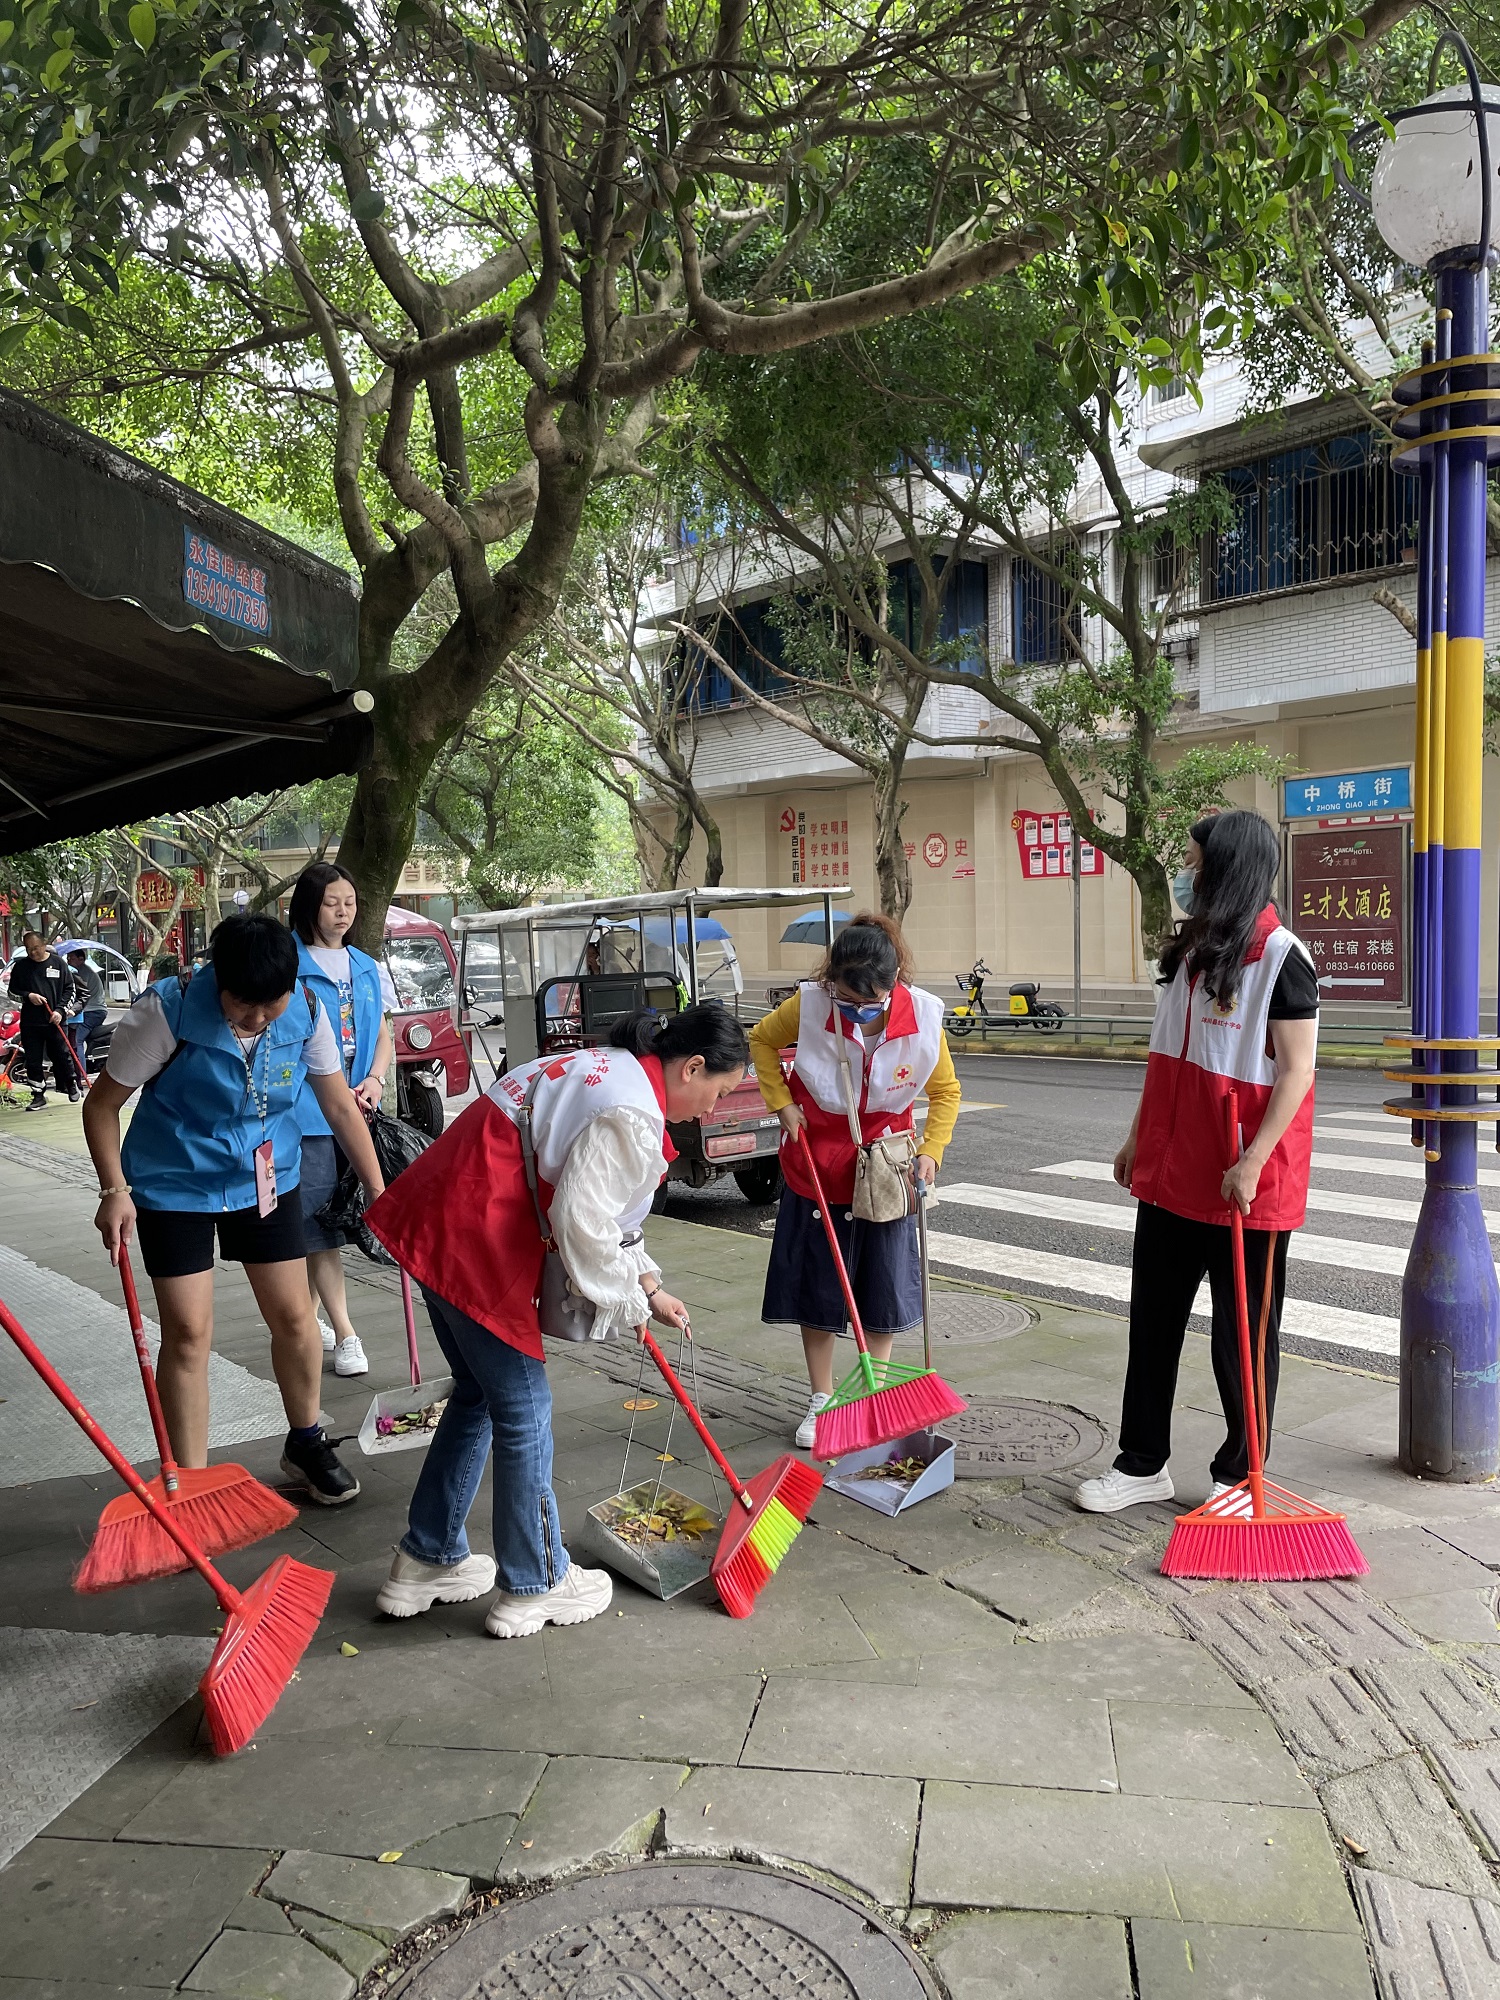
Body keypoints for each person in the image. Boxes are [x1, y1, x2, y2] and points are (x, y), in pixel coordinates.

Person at [362, 1004, 750, 1638]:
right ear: (694, 1066)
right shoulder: (631, 1110)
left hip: (444, 1223)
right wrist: (624, 1300)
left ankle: (427, 1559)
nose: (711, 1107)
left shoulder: (611, 1071)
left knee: (480, 1397)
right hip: (478, 1237)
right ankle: (536, 1580)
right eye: (719, 1091)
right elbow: (584, 1222)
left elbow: (606, 1218)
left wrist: (646, 1286)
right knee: (524, 1409)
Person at [82, 914, 386, 1506]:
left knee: (296, 1317)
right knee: (190, 1332)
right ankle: (188, 1483)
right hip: (174, 1185)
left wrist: (379, 1191)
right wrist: (114, 1189)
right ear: (217, 979)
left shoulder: (306, 1011)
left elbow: (340, 1107)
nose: (257, 1019)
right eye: (244, 1005)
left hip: (266, 1178)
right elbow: (101, 1108)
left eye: (270, 1005)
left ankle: (305, 1442)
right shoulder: (165, 1012)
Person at [1074, 809, 1319, 1515]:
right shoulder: (1191, 956)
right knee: (1152, 1324)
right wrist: (1135, 1138)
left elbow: (1297, 1072)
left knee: (1241, 1340)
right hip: (1173, 1173)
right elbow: (1169, 1066)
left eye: (1196, 861)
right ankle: (1141, 1462)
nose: (1188, 872)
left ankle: (1240, 1476)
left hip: (1245, 1184)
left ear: (1227, 868)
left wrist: (1251, 1161)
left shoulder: (1282, 958)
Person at [748, 913, 961, 1448]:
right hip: (816, 1159)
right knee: (820, 1283)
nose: (858, 1011)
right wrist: (784, 1106)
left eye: (871, 1002)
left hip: (886, 1167)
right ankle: (822, 1398)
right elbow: (760, 1043)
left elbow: (947, 1093)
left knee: (882, 1283)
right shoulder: (810, 1004)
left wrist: (932, 1151)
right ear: (830, 981)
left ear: (894, 985)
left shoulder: (925, 1018)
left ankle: (872, 1390)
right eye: (846, 999)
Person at [287, 862, 397, 1379]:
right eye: (333, 902)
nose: (343, 911)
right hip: (306, 1116)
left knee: (323, 1225)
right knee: (319, 1228)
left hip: (360, 1111)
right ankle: (346, 1331)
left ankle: (307, 1322)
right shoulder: (286, 960)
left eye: (350, 902)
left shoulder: (365, 965)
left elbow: (383, 1032)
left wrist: (375, 1079)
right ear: (309, 904)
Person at [7, 931, 80, 1109]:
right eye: (28, 949)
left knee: (61, 1056)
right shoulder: (21, 967)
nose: (33, 953)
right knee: (33, 1059)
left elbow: (70, 990)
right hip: (31, 1022)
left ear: (44, 944)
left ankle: (71, 1083)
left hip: (54, 1021)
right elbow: (12, 992)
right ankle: (38, 1094)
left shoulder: (58, 964)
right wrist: (28, 996)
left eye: (36, 948)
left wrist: (61, 1011)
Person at [65, 949, 108, 1073]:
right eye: (67, 958)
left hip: (93, 1012)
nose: (68, 961)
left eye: (71, 958)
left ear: (81, 959)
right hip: (89, 1010)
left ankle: (80, 1073)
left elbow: (76, 993)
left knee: (76, 1040)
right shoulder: (77, 971)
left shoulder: (82, 973)